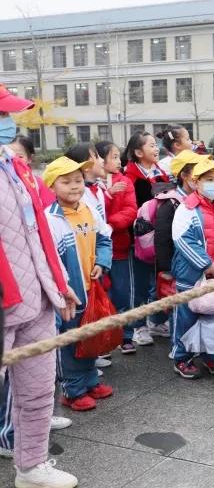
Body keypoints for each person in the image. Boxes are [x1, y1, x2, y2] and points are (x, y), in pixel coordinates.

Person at [0, 86, 80, 487]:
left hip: (35, 297)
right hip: (5, 303)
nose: (9, 124)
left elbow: (38, 233)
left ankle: (31, 467)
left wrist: (58, 284)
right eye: (3, 116)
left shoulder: (15, 168)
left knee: (36, 392)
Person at [43, 157, 114, 411]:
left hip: (91, 287)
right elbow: (50, 261)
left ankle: (90, 380)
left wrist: (102, 262)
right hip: (69, 293)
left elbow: (105, 238)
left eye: (78, 181)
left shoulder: (87, 208)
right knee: (70, 340)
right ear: (51, 187)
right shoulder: (49, 219)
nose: (74, 186)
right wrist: (62, 290)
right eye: (66, 182)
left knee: (90, 336)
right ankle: (72, 390)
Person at [170, 157, 214, 379]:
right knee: (186, 317)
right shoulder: (186, 208)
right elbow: (182, 239)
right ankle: (182, 358)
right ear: (196, 182)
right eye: (209, 179)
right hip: (190, 275)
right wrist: (206, 264)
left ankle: (212, 356)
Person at [122, 131, 173, 346]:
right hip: (139, 238)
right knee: (140, 284)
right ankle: (138, 326)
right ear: (138, 152)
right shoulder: (129, 177)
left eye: (155, 144)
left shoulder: (160, 172)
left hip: (161, 236)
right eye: (151, 145)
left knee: (161, 279)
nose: (156, 149)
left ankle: (158, 320)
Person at [95, 141, 139, 355]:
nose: (118, 161)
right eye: (112, 157)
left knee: (124, 293)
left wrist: (110, 226)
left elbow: (131, 210)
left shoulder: (125, 181)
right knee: (102, 296)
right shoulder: (91, 185)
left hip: (120, 247)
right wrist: (108, 194)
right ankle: (103, 340)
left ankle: (127, 335)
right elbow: (93, 213)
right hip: (95, 252)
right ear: (99, 160)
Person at [153, 151, 202, 315]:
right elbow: (162, 239)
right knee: (179, 310)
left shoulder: (201, 198)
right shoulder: (171, 203)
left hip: (197, 263)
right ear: (184, 176)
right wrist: (166, 269)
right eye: (197, 170)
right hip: (178, 267)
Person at [6, 134, 53, 205]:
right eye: (7, 156)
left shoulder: (37, 184)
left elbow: (49, 209)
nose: (13, 160)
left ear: (30, 158)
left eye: (20, 156)